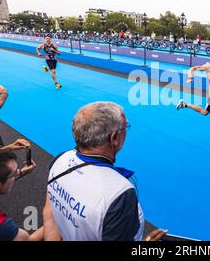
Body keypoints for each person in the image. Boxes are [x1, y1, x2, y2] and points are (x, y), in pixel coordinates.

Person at [45, 101, 167, 241]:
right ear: (114, 138)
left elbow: (49, 214)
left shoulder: (60, 159)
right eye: (125, 127)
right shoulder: (119, 193)